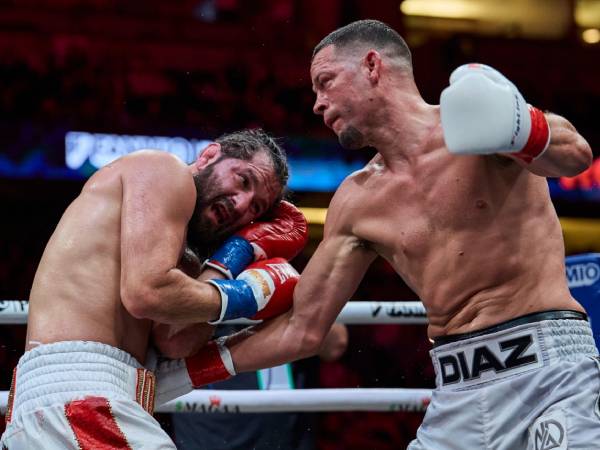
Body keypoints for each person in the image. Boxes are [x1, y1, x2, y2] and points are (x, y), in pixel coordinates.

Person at [175, 20, 598, 449]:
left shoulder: (474, 125)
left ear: (372, 66)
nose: (318, 105)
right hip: (458, 396)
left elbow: (575, 156)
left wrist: (519, 127)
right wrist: (183, 373)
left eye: (326, 83)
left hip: (550, 372)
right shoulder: (358, 200)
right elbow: (303, 328)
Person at [0, 128, 310, 449]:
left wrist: (233, 256)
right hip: (79, 399)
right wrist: (247, 294)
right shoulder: (162, 169)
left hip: (86, 403)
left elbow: (176, 342)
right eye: (243, 181)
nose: (242, 204)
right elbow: (146, 294)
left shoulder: (186, 260)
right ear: (209, 156)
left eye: (256, 208)